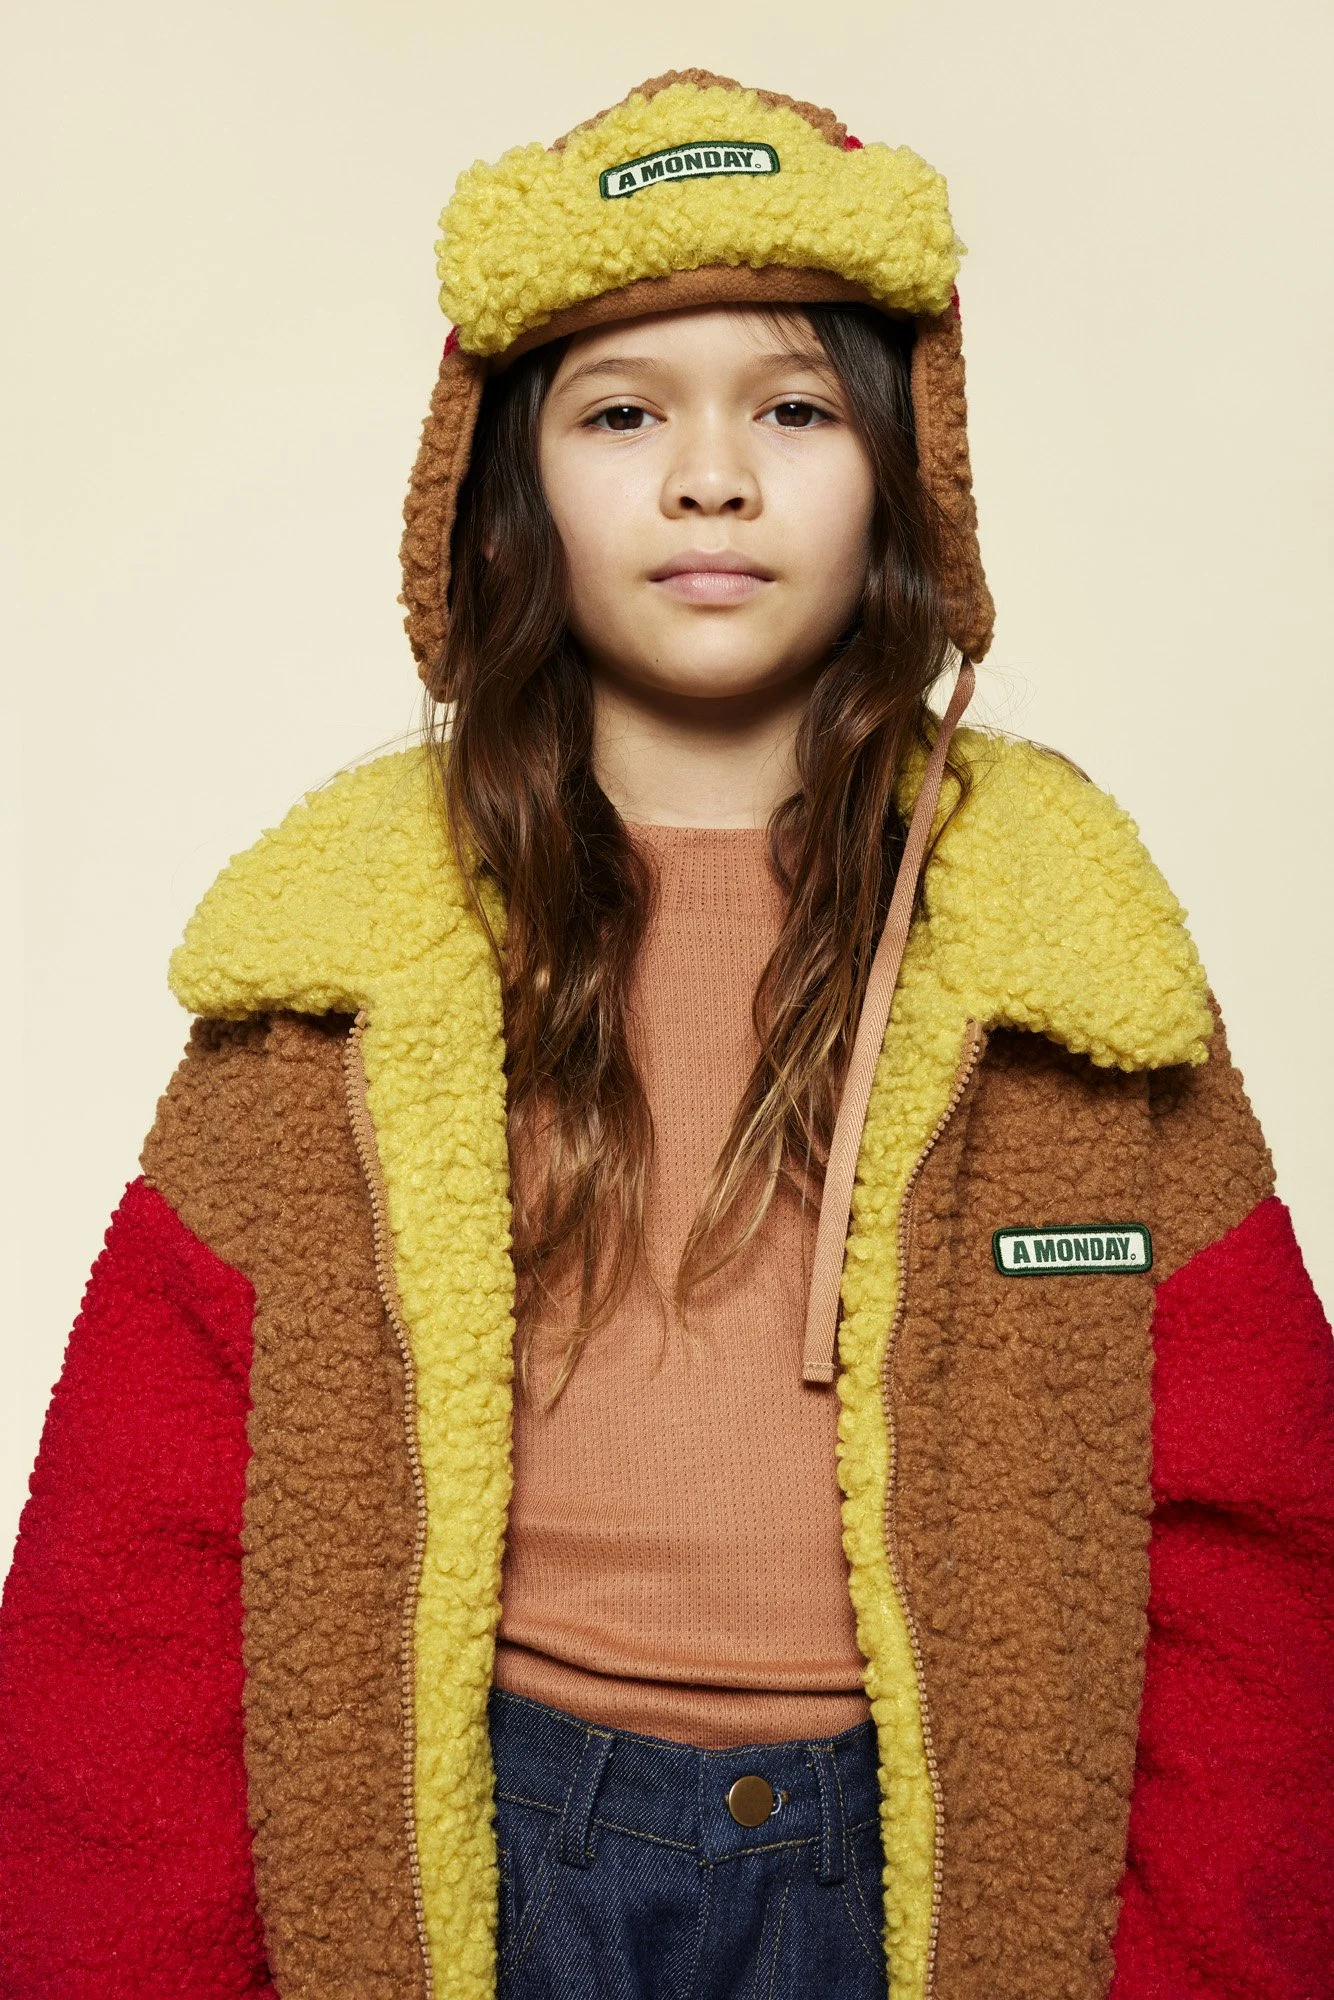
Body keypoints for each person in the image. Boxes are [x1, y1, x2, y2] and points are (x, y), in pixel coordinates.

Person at [1, 67, 1331, 2000]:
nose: (712, 476)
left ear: (902, 465)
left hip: (917, 1883)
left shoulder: (1067, 967)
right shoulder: (342, 973)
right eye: (625, 412)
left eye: (792, 408)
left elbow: (1249, 1539)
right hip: (480, 1856)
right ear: (506, 482)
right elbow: (137, 1556)